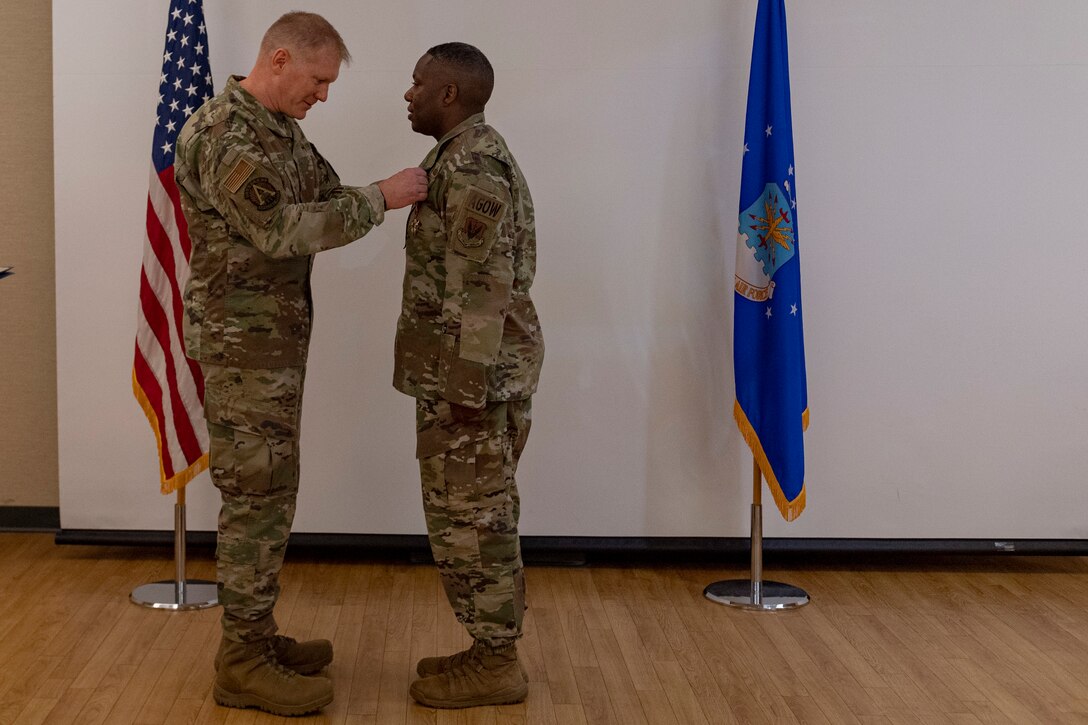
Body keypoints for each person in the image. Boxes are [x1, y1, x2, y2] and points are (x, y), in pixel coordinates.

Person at [174, 12, 427, 717]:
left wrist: (363, 198)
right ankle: (241, 660)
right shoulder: (225, 134)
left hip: (273, 347)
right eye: (316, 82)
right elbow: (287, 227)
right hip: (241, 347)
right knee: (255, 496)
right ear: (279, 60)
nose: (322, 97)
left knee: (272, 491)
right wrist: (383, 196)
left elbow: (324, 195)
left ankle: (255, 632)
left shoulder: (278, 130)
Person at [396, 42, 544, 709]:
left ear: (450, 94)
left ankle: (496, 661)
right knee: (467, 512)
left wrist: (463, 385)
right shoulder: (455, 156)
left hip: (474, 383)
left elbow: (484, 285)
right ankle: (488, 646)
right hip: (464, 375)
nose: (409, 93)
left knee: (476, 517)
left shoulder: (474, 163)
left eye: (419, 83)